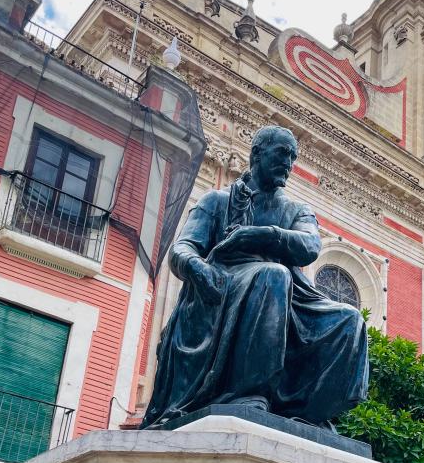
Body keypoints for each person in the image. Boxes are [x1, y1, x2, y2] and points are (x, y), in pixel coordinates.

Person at [141, 125, 369, 430]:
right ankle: (248, 393)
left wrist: (259, 235)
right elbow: (183, 249)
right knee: (272, 275)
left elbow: (310, 246)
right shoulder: (216, 201)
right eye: (282, 153)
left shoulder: (295, 210)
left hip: (288, 299)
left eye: (293, 157)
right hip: (223, 287)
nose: (288, 163)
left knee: (350, 320)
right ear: (257, 154)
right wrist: (200, 269)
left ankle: (310, 410)